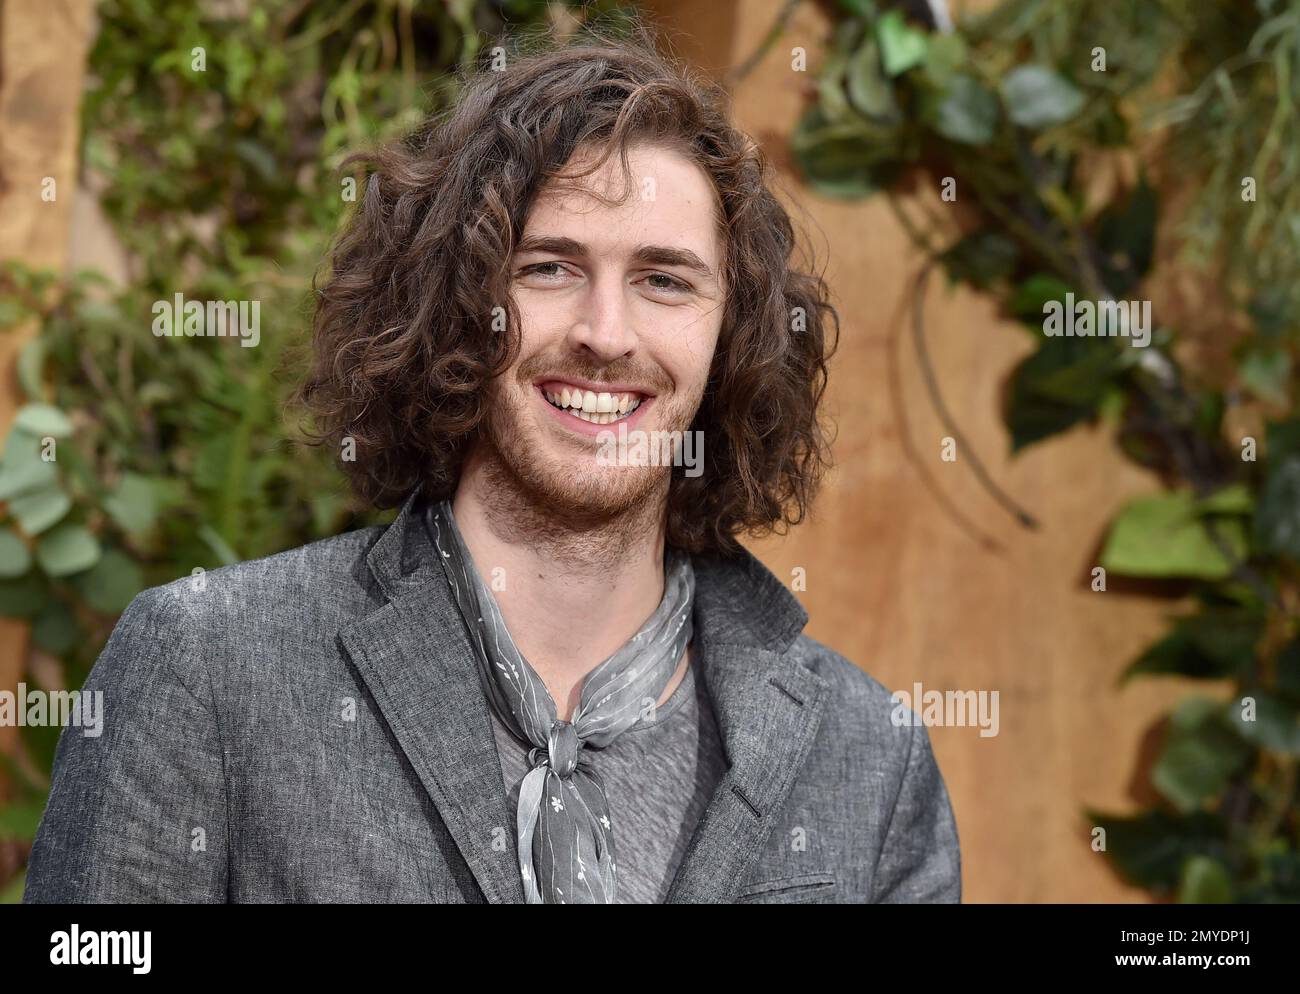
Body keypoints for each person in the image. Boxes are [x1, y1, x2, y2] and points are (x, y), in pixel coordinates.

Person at [25, 22, 960, 904]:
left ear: (733, 336)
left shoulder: (867, 755)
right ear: (453, 304)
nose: (606, 334)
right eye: (548, 267)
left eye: (665, 281)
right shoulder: (209, 667)